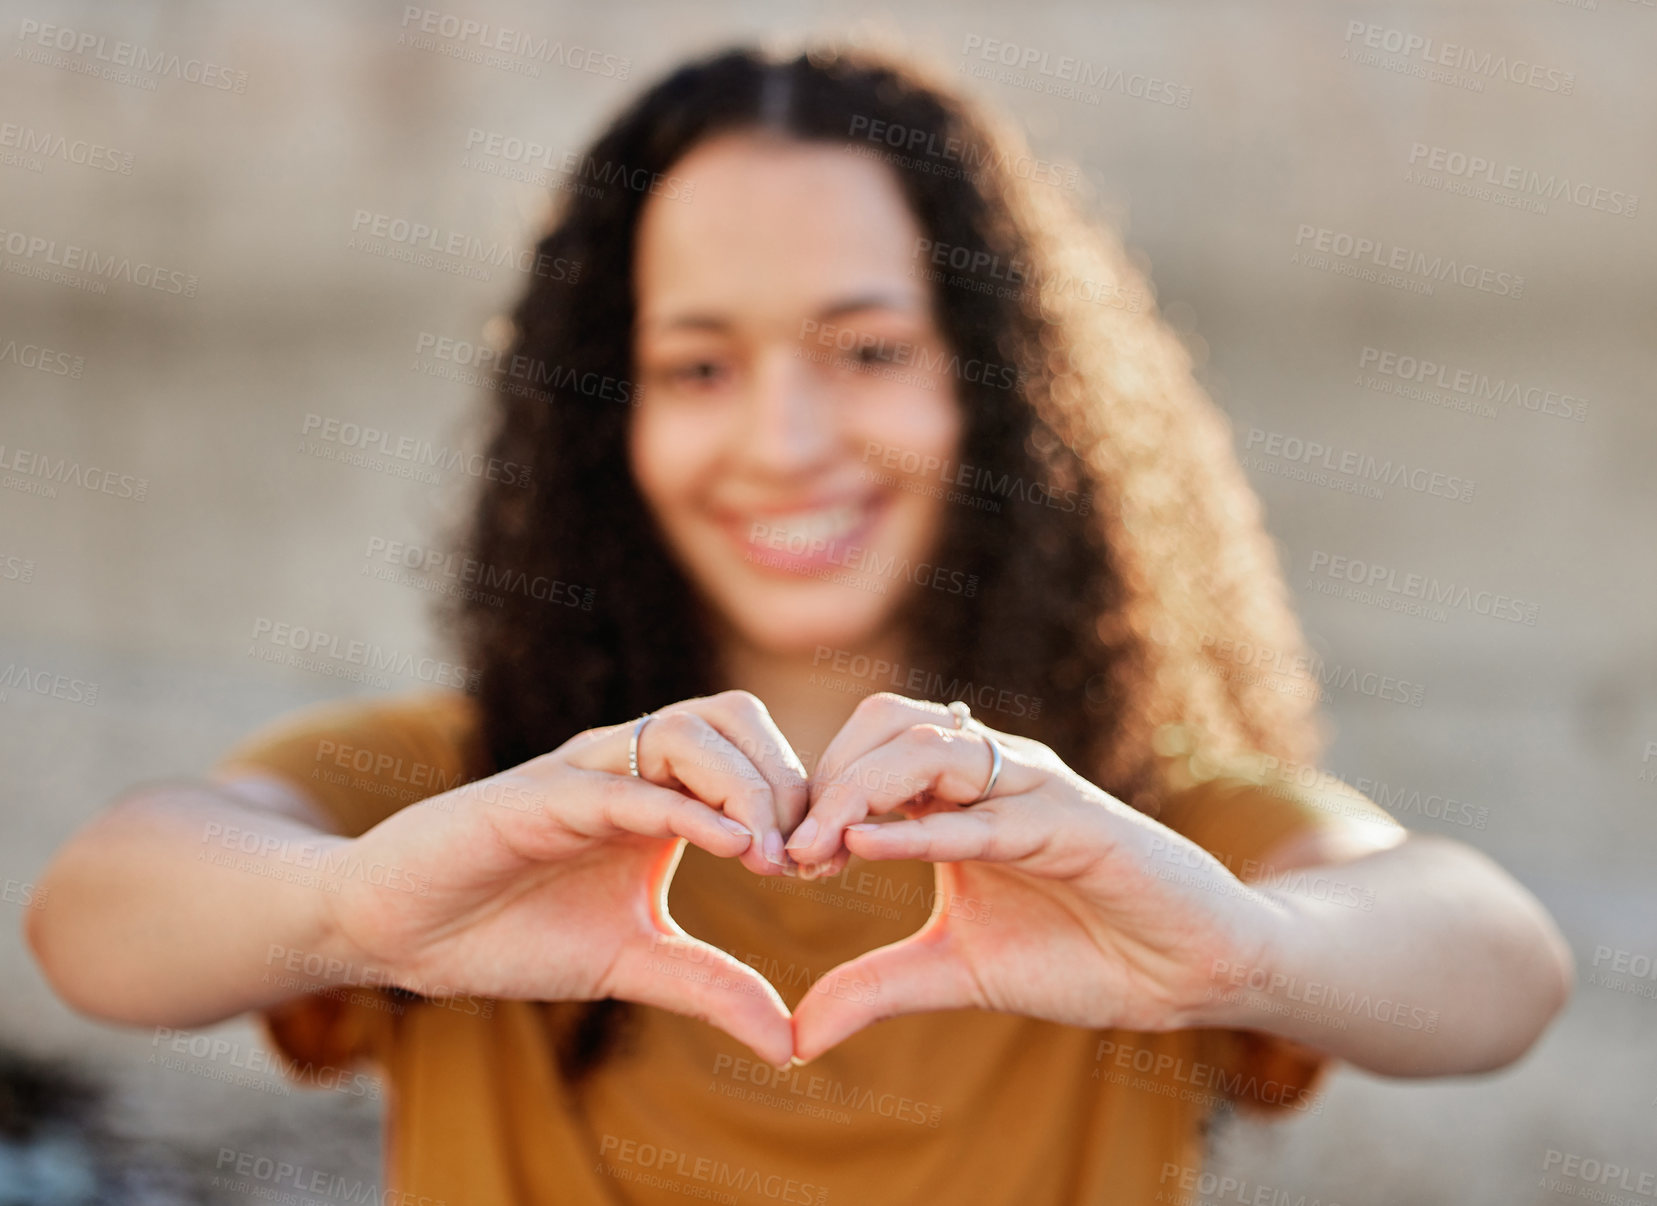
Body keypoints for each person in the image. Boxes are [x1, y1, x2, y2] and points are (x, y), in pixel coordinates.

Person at [26, 43, 1572, 1206]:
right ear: (600, 420)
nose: (782, 436)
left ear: (999, 386)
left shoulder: (1134, 828)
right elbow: (92, 917)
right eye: (698, 366)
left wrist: (1248, 950)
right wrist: (353, 909)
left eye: (866, 346)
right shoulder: (469, 799)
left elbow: (1496, 961)